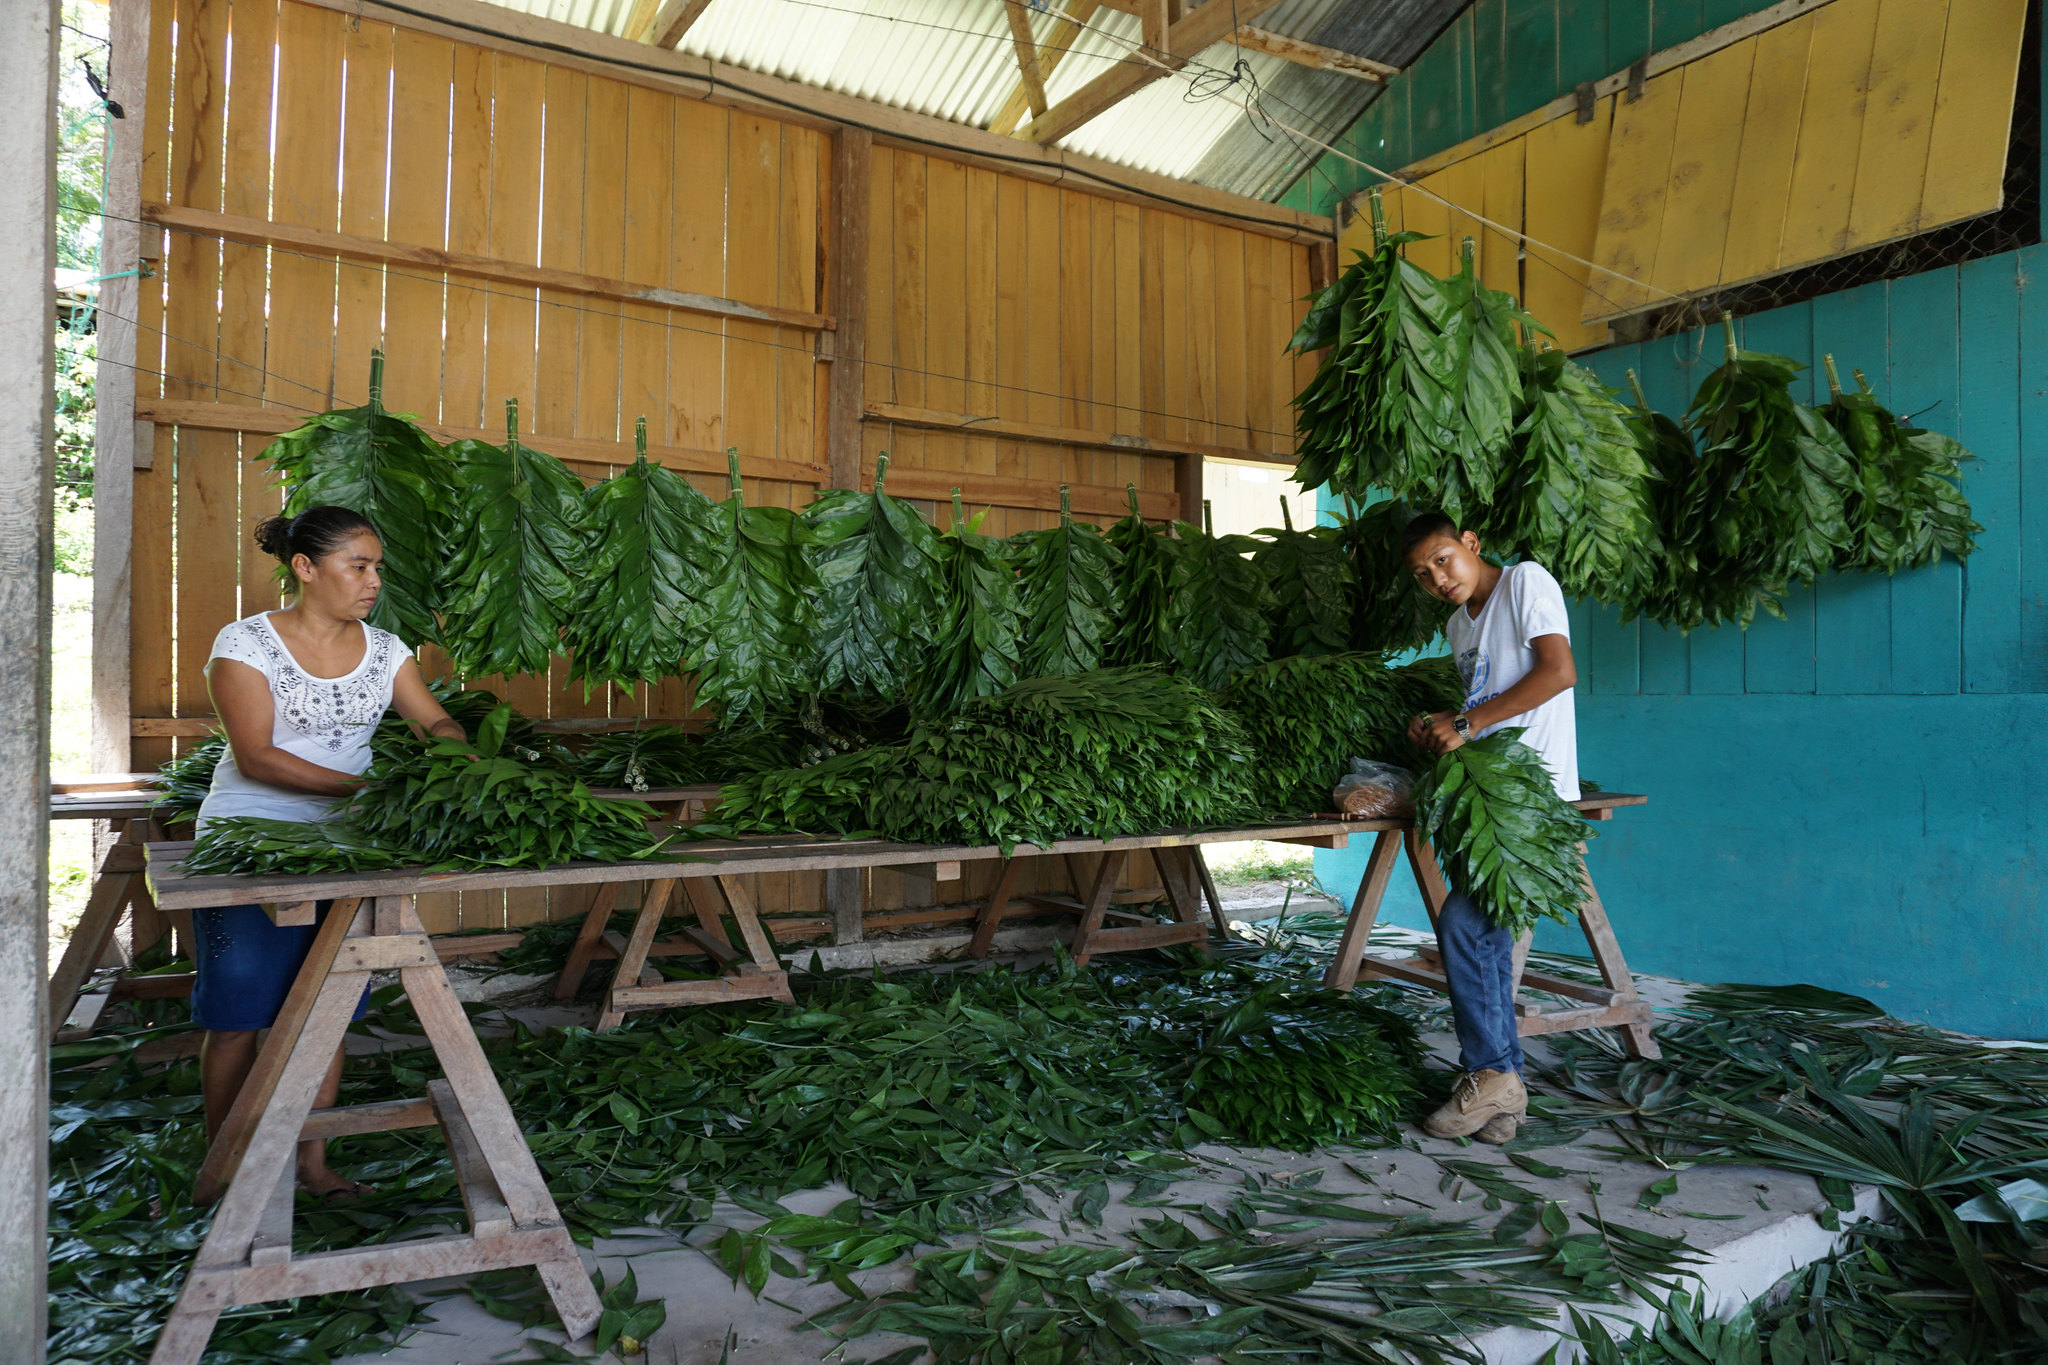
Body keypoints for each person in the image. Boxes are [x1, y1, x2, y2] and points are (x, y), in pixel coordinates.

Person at [193, 506, 464, 1199]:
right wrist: (370, 788)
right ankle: (223, 1174)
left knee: (326, 1006)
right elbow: (257, 757)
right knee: (238, 1013)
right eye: (358, 565)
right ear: (305, 568)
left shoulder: (385, 649)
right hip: (251, 841)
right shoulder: (247, 643)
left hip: (346, 846)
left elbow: (431, 718)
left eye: (377, 567)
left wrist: (454, 759)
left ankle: (312, 1167)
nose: (373, 581)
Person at [1400, 512, 1579, 1146]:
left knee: (1463, 925)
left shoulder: (1525, 582)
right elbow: (1493, 702)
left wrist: (1469, 725)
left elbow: (1558, 672)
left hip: (1536, 800)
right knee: (1491, 942)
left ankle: (1490, 1073)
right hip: (1493, 796)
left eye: (1444, 559)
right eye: (1424, 574)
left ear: (1472, 543)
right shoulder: (1458, 626)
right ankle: (1504, 1101)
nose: (1438, 578)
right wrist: (1448, 722)